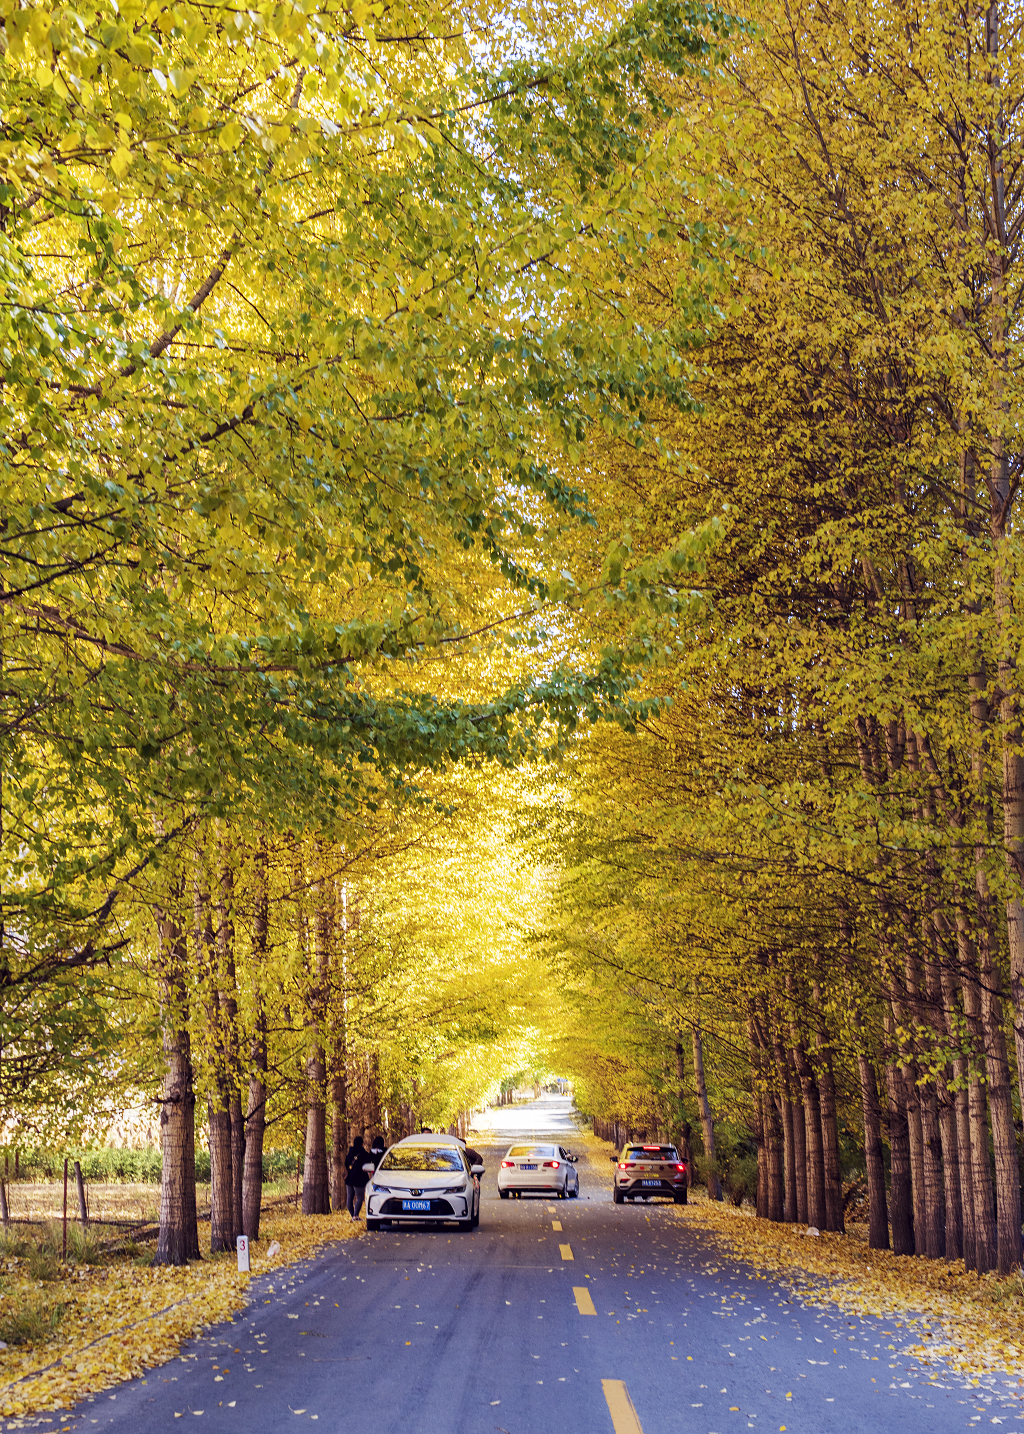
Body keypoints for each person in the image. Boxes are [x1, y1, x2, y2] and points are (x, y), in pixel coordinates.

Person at [344, 1134, 372, 1218]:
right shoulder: (363, 1153)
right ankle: (355, 1215)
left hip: (349, 1178)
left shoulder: (350, 1153)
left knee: (349, 1198)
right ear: (362, 1144)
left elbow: (346, 1163)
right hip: (360, 1179)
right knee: (360, 1198)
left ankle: (352, 1215)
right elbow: (368, 1162)